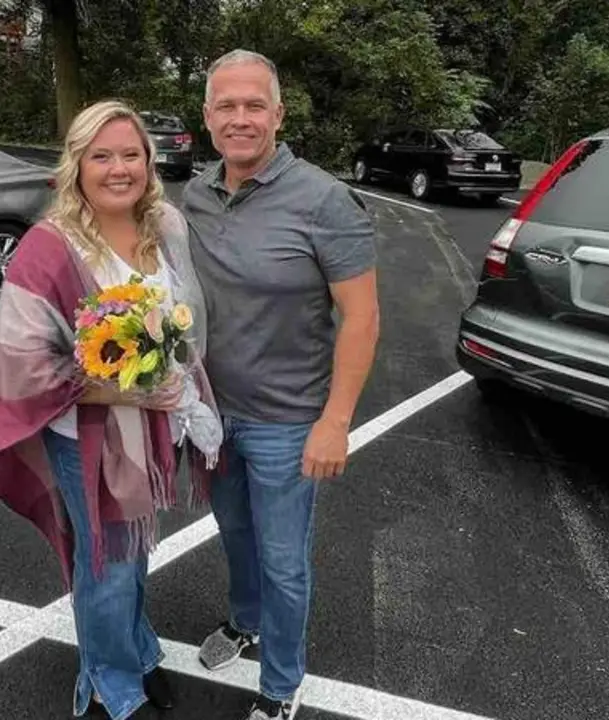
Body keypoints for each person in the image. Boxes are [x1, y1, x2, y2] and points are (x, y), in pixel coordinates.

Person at [0, 100, 222, 720]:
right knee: (106, 557)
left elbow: (188, 316)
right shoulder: (48, 246)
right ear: (76, 165)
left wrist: (175, 378)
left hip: (155, 422)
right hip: (85, 431)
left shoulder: (168, 225)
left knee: (133, 548)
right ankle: (107, 684)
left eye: (131, 154)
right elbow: (24, 362)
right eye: (100, 156)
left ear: (149, 162)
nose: (118, 169)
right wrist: (124, 390)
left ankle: (136, 647)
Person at [179, 49, 381, 720]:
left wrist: (335, 421)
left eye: (254, 105)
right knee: (233, 532)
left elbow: (361, 317)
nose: (241, 118)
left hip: (288, 421)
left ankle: (279, 687)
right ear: (208, 118)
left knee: (285, 561)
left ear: (278, 114)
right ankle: (245, 621)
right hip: (213, 414)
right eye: (227, 106)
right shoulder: (197, 195)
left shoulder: (325, 201)